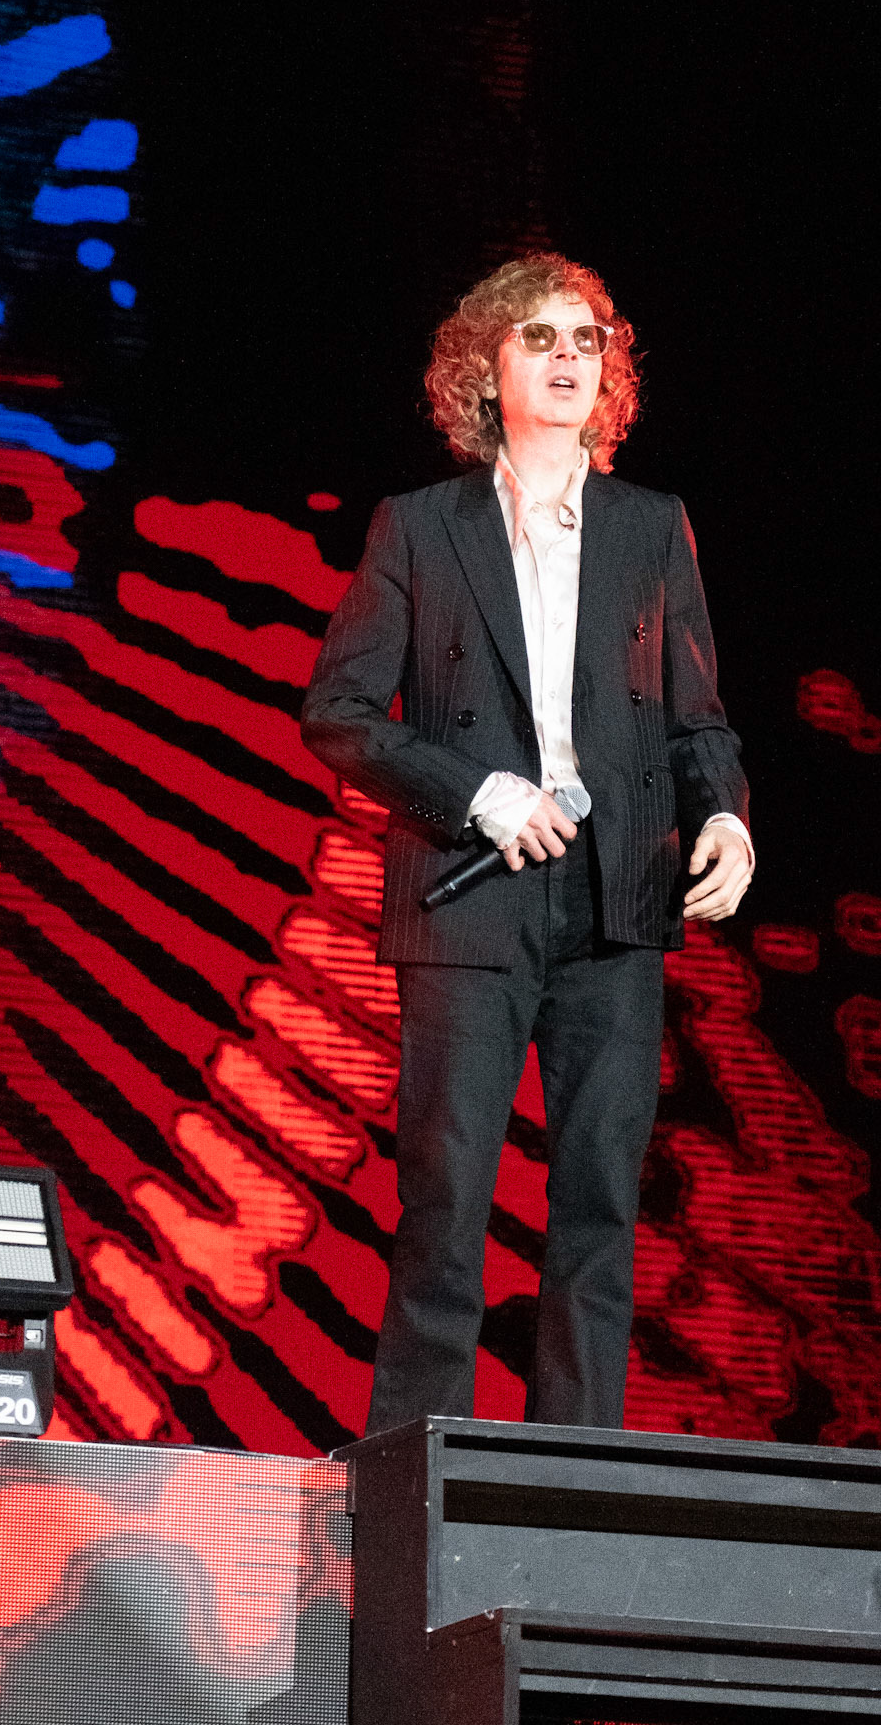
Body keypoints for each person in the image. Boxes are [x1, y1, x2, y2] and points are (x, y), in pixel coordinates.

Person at [301, 254, 751, 1434]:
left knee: (601, 1199)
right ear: (485, 367)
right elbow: (339, 713)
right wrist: (481, 793)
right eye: (539, 335)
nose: (566, 356)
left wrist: (725, 816)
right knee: (447, 1196)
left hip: (618, 899)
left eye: (587, 339)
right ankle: (414, 1467)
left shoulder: (652, 527)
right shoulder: (420, 525)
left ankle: (577, 1474)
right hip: (473, 895)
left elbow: (697, 717)